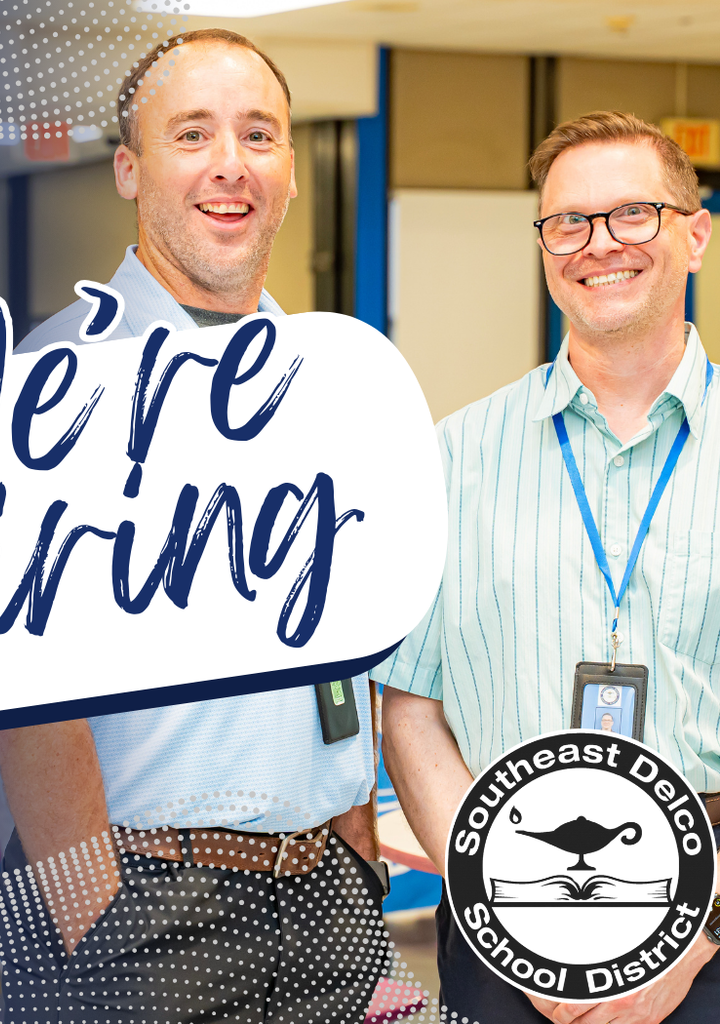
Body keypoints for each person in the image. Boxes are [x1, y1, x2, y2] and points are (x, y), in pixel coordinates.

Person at [0, 29, 388, 1024]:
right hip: (148, 906)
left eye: (259, 135)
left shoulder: (325, 378)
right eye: (193, 134)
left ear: (291, 170)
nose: (230, 165)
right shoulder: (57, 382)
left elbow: (330, 626)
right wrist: (93, 910)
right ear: (129, 168)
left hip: (325, 897)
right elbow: (20, 678)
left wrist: (352, 836)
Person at [376, 110, 717, 1024]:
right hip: (502, 944)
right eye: (568, 221)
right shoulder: (450, 458)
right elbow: (410, 709)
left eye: (633, 214)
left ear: (695, 234)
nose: (599, 244)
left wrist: (698, 931)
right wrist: (513, 924)